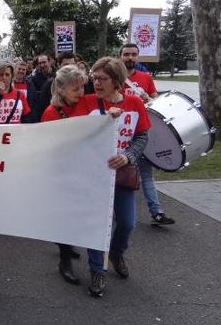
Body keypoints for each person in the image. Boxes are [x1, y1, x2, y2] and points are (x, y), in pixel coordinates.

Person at [78, 57, 151, 298]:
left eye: (102, 79)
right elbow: (74, 133)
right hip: (93, 174)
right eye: (94, 78)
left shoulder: (134, 103)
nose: (96, 83)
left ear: (117, 80)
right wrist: (101, 122)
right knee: (98, 224)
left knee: (127, 223)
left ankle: (117, 252)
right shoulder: (86, 102)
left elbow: (141, 137)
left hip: (122, 174)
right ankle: (97, 269)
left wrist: (128, 156)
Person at [41, 65, 90, 285]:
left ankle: (68, 246)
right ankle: (64, 260)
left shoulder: (86, 104)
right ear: (61, 90)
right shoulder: (51, 113)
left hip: (84, 169)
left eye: (82, 87)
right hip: (61, 172)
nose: (81, 92)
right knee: (65, 215)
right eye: (75, 88)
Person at [119, 43, 175, 225]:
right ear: (120, 56)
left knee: (146, 174)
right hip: (121, 134)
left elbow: (156, 101)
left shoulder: (145, 77)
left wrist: (149, 99)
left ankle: (157, 212)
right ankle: (117, 215)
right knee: (118, 176)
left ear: (138, 56)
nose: (130, 58)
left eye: (134, 54)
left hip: (141, 133)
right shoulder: (113, 78)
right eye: (126, 54)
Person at [37, 51, 78, 118]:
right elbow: (42, 110)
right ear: (59, 65)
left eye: (72, 64)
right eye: (66, 65)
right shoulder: (49, 84)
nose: (70, 68)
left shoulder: (81, 84)